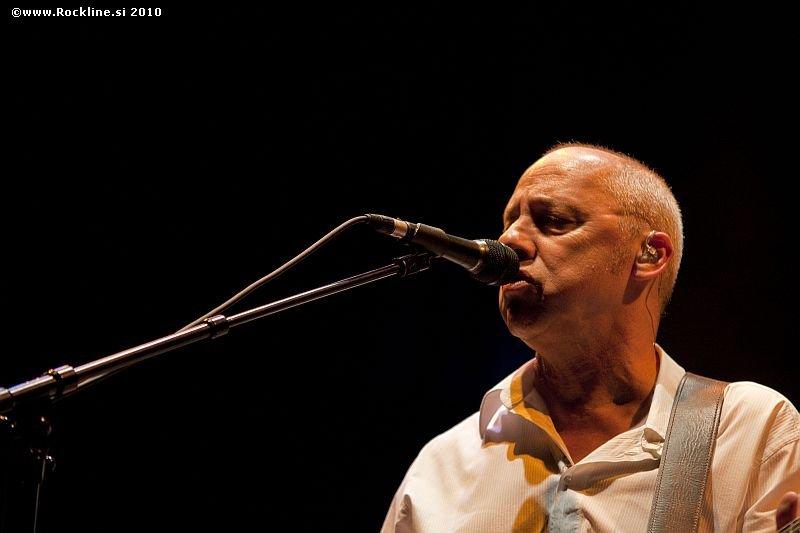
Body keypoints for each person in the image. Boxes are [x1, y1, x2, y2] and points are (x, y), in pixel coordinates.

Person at [381, 144, 799, 532]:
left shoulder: (749, 430)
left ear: (649, 255)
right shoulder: (440, 468)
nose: (508, 240)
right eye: (509, 222)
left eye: (554, 221)